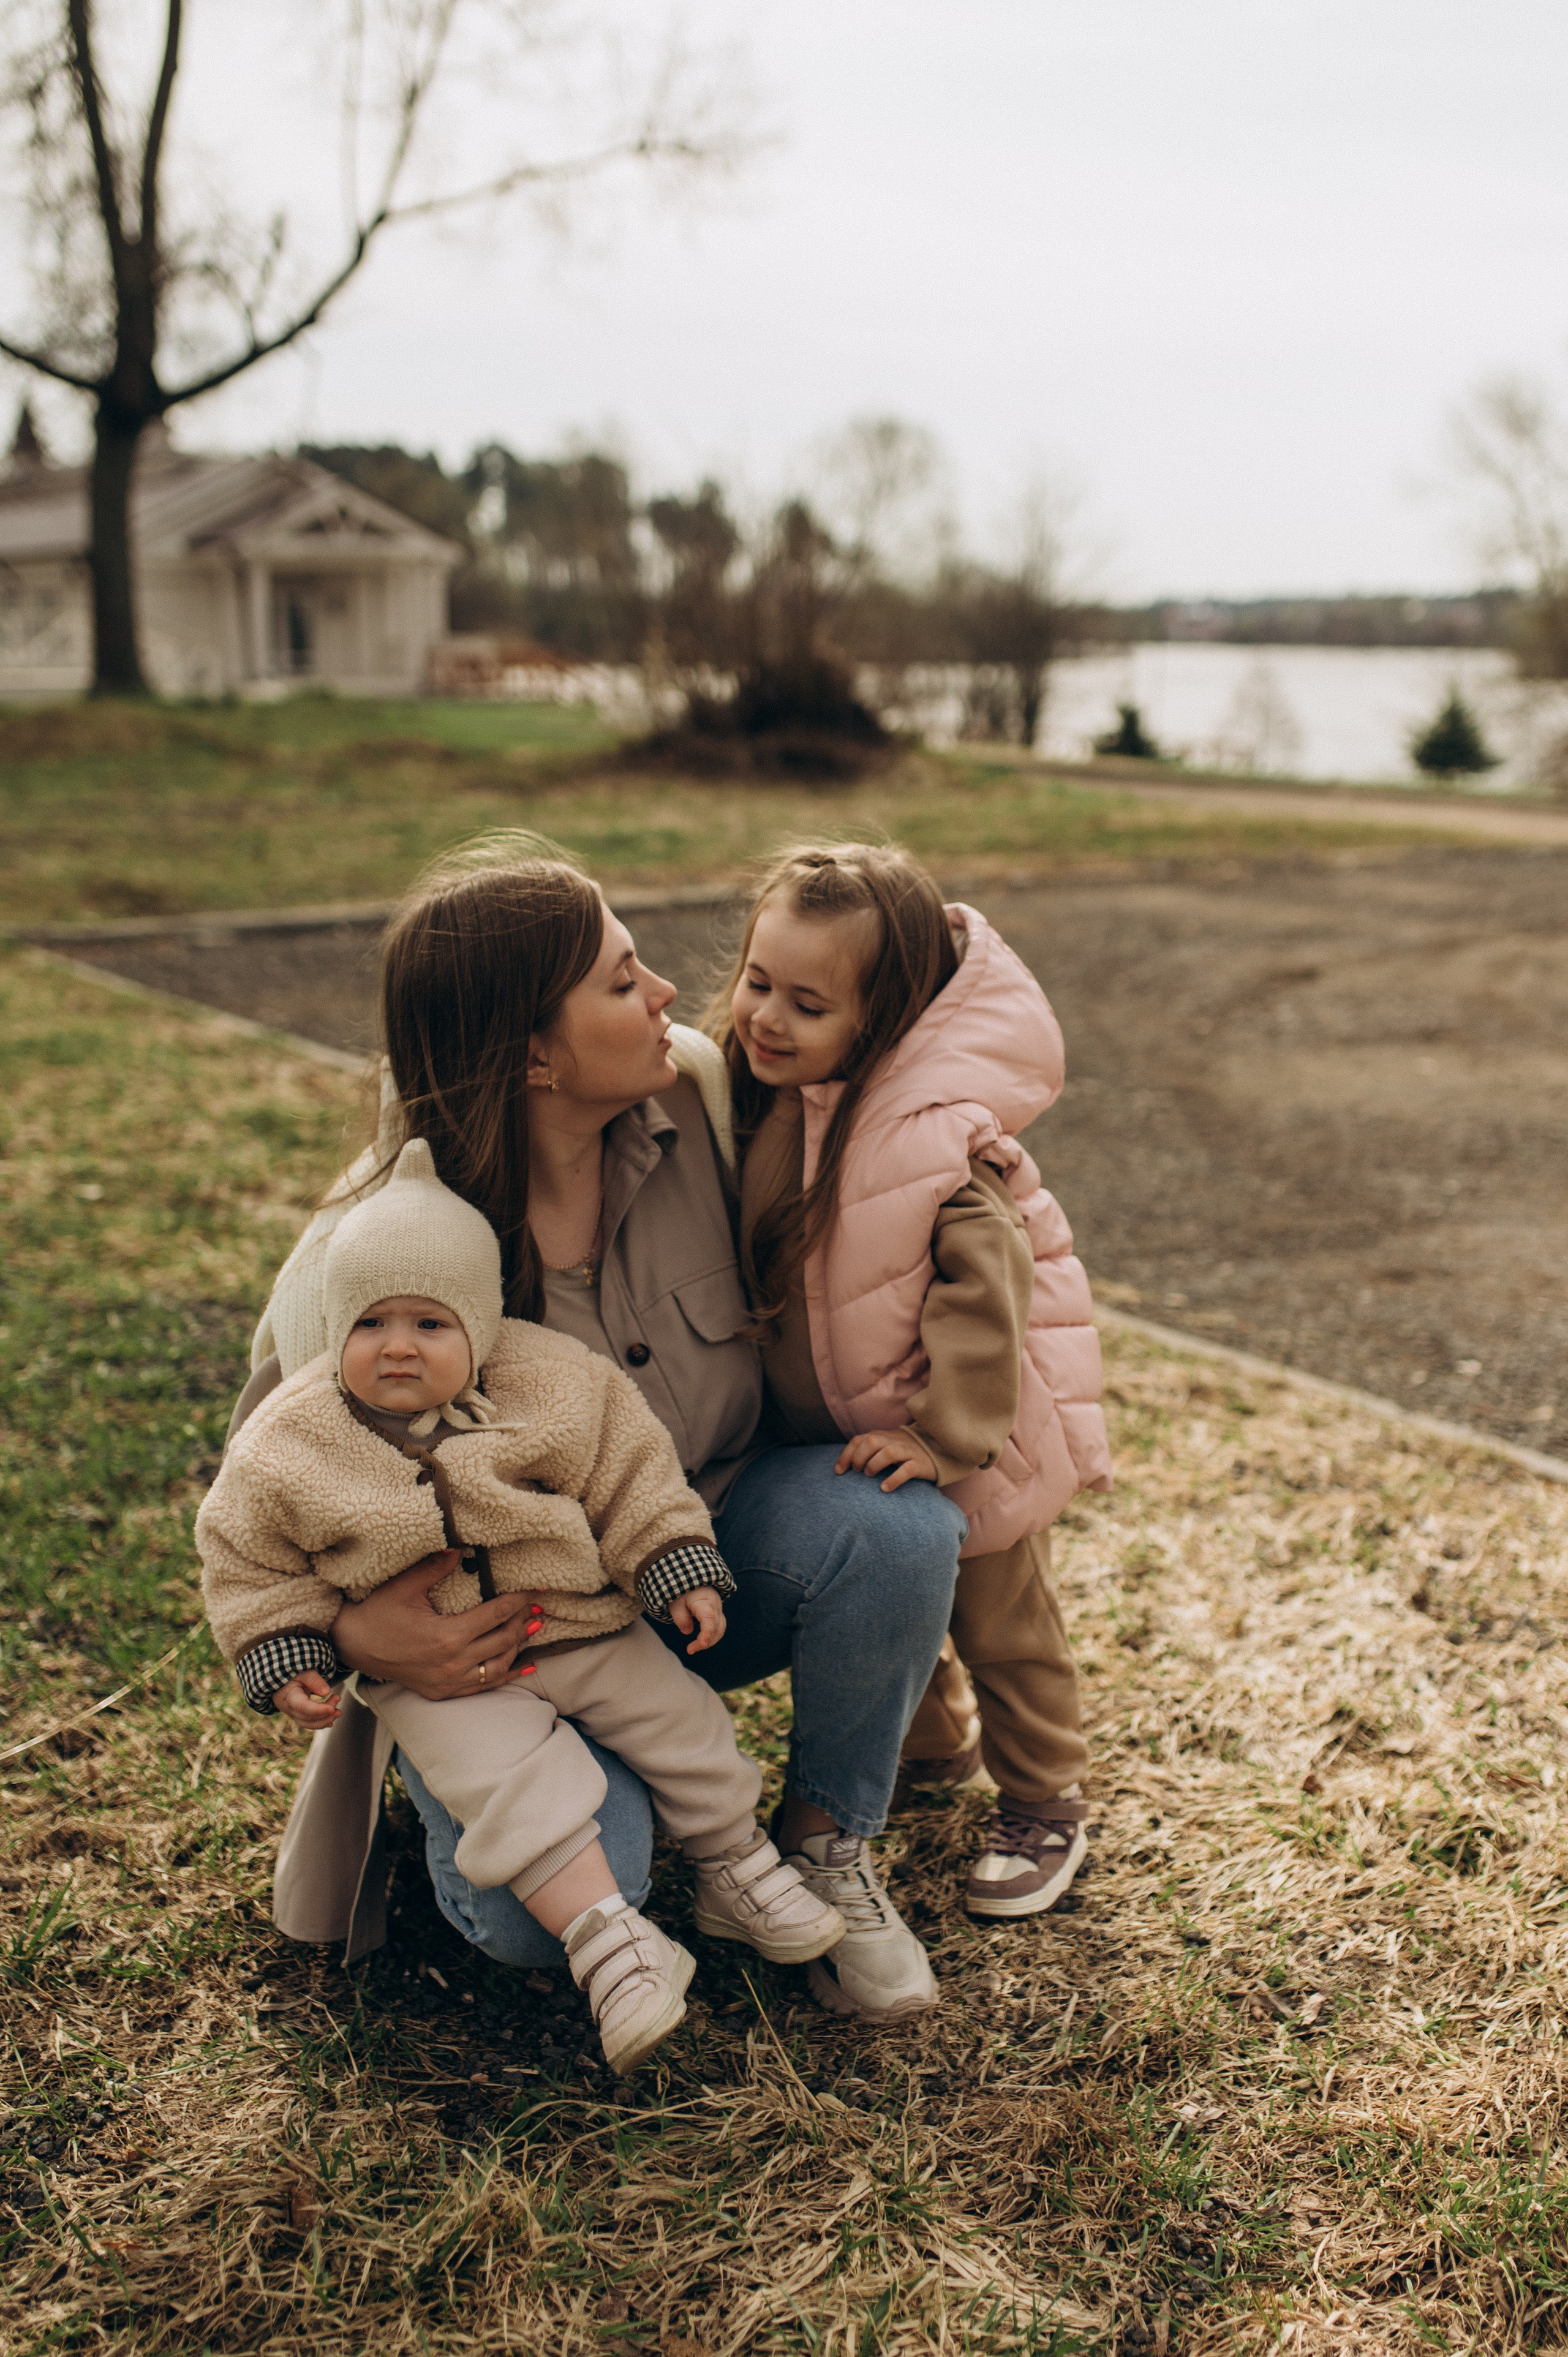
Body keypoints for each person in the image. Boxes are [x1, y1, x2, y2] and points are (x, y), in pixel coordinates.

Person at [234, 836, 965, 2020]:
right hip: (513, 1647)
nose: (671, 996)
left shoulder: (707, 1094)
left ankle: (826, 1847)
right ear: (532, 1053)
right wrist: (358, 1637)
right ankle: (527, 1814)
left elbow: (913, 1052)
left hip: (712, 1558)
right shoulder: (379, 1249)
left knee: (894, 1528)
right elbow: (261, 1485)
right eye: (625, 982)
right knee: (531, 1925)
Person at [201, 1136, 843, 2075]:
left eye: (430, 1324)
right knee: (511, 1793)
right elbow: (244, 1552)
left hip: (575, 1623)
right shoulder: (293, 1440)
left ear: (480, 1324)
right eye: (370, 1324)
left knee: (680, 1723)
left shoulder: (552, 1380)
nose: (397, 1347)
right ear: (336, 1329)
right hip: (439, 1682)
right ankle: (611, 1945)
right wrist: (287, 1648)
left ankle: (735, 1865)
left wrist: (674, 1561)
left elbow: (630, 1471)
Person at [705, 842, 1110, 1950]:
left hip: (966, 1433)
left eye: (808, 1003)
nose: (767, 1019)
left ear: (882, 1020)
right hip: (848, 1430)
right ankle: (930, 1748)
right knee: (895, 1612)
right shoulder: (767, 1098)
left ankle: (1044, 1803)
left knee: (1001, 1621)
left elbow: (992, 1290)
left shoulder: (933, 1133)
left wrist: (948, 1440)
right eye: (756, 984)